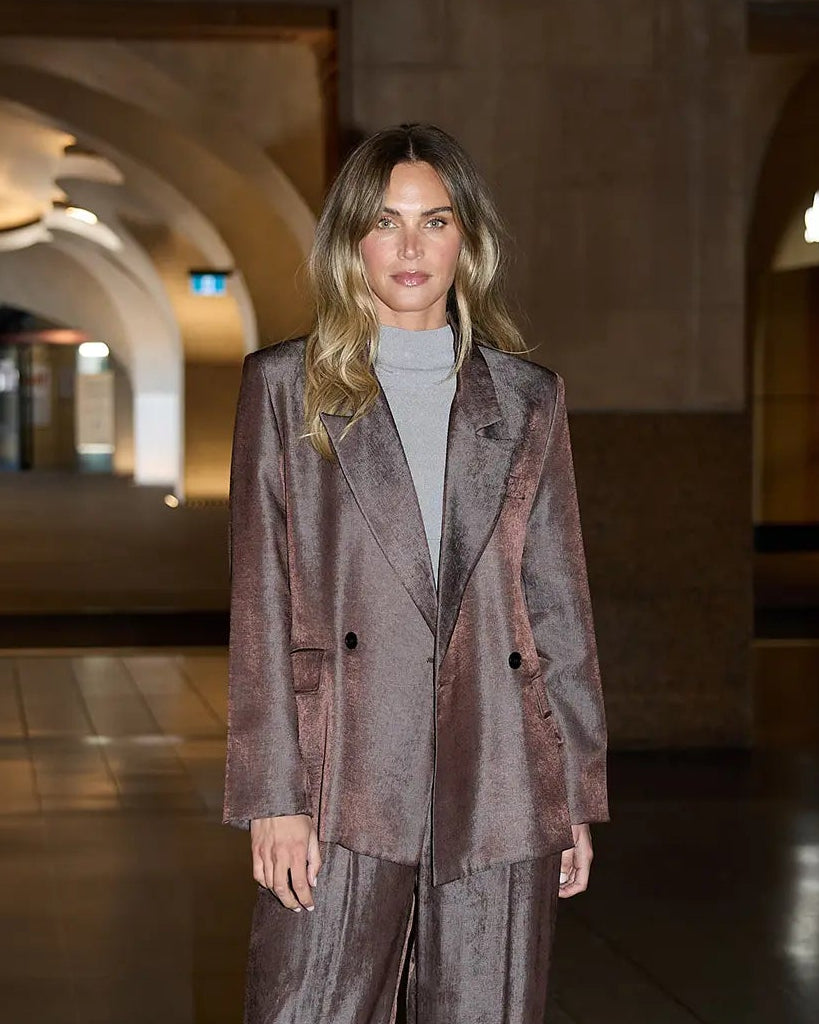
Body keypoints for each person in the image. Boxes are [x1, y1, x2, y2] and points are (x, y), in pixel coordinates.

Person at [224, 122, 609, 1024]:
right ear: (350, 242)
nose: (409, 247)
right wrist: (273, 799)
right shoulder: (286, 389)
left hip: (501, 774)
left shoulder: (526, 399)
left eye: (433, 222)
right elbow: (261, 610)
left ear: (465, 242)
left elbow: (556, 606)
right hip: (341, 770)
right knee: (307, 1006)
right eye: (385, 222)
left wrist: (572, 794)